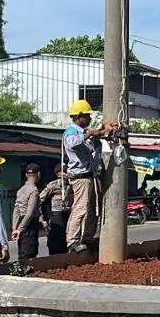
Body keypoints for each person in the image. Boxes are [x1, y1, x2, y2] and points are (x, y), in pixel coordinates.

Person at [63, 100, 112, 252]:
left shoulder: (83, 133)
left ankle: (88, 238)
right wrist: (90, 133)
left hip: (89, 176)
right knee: (81, 208)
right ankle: (72, 241)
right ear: (79, 117)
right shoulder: (71, 132)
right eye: (87, 116)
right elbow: (73, 144)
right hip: (80, 177)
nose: (89, 119)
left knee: (92, 209)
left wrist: (100, 132)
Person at [11, 162, 43, 259]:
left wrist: (15, 228)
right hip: (29, 225)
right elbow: (30, 213)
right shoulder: (34, 191)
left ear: (26, 175)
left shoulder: (21, 190)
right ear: (38, 175)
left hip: (20, 222)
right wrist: (21, 229)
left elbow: (16, 210)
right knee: (29, 255)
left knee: (22, 253)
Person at [39, 163, 70, 256]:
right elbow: (39, 200)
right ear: (58, 174)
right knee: (56, 241)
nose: (66, 173)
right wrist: (42, 219)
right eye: (64, 171)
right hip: (56, 215)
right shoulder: (53, 185)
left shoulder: (72, 185)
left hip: (69, 215)